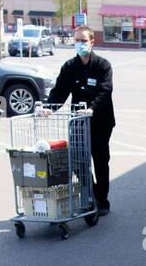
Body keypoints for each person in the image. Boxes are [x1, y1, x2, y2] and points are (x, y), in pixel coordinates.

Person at [47, 25, 115, 215]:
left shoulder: (102, 65)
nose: (80, 44)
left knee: (100, 161)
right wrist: (48, 108)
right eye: (77, 40)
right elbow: (60, 91)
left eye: (84, 41)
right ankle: (90, 194)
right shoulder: (70, 67)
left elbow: (105, 91)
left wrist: (91, 109)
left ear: (92, 42)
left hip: (100, 121)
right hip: (78, 122)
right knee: (79, 161)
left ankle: (102, 201)